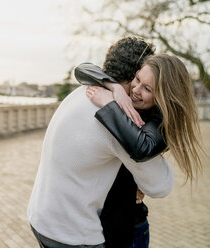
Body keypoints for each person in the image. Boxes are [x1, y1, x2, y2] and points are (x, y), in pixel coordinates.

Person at [27, 37, 174, 248]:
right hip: (74, 236)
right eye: (139, 79)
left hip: (41, 219)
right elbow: (161, 185)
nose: (137, 89)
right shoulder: (116, 118)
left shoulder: (80, 93)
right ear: (135, 74)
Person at [75, 53, 203, 248]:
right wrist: (115, 87)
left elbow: (142, 147)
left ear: (163, 97)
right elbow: (82, 69)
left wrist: (109, 104)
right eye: (137, 79)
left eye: (147, 89)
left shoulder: (161, 122)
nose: (135, 89)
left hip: (129, 229)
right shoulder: (127, 96)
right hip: (101, 224)